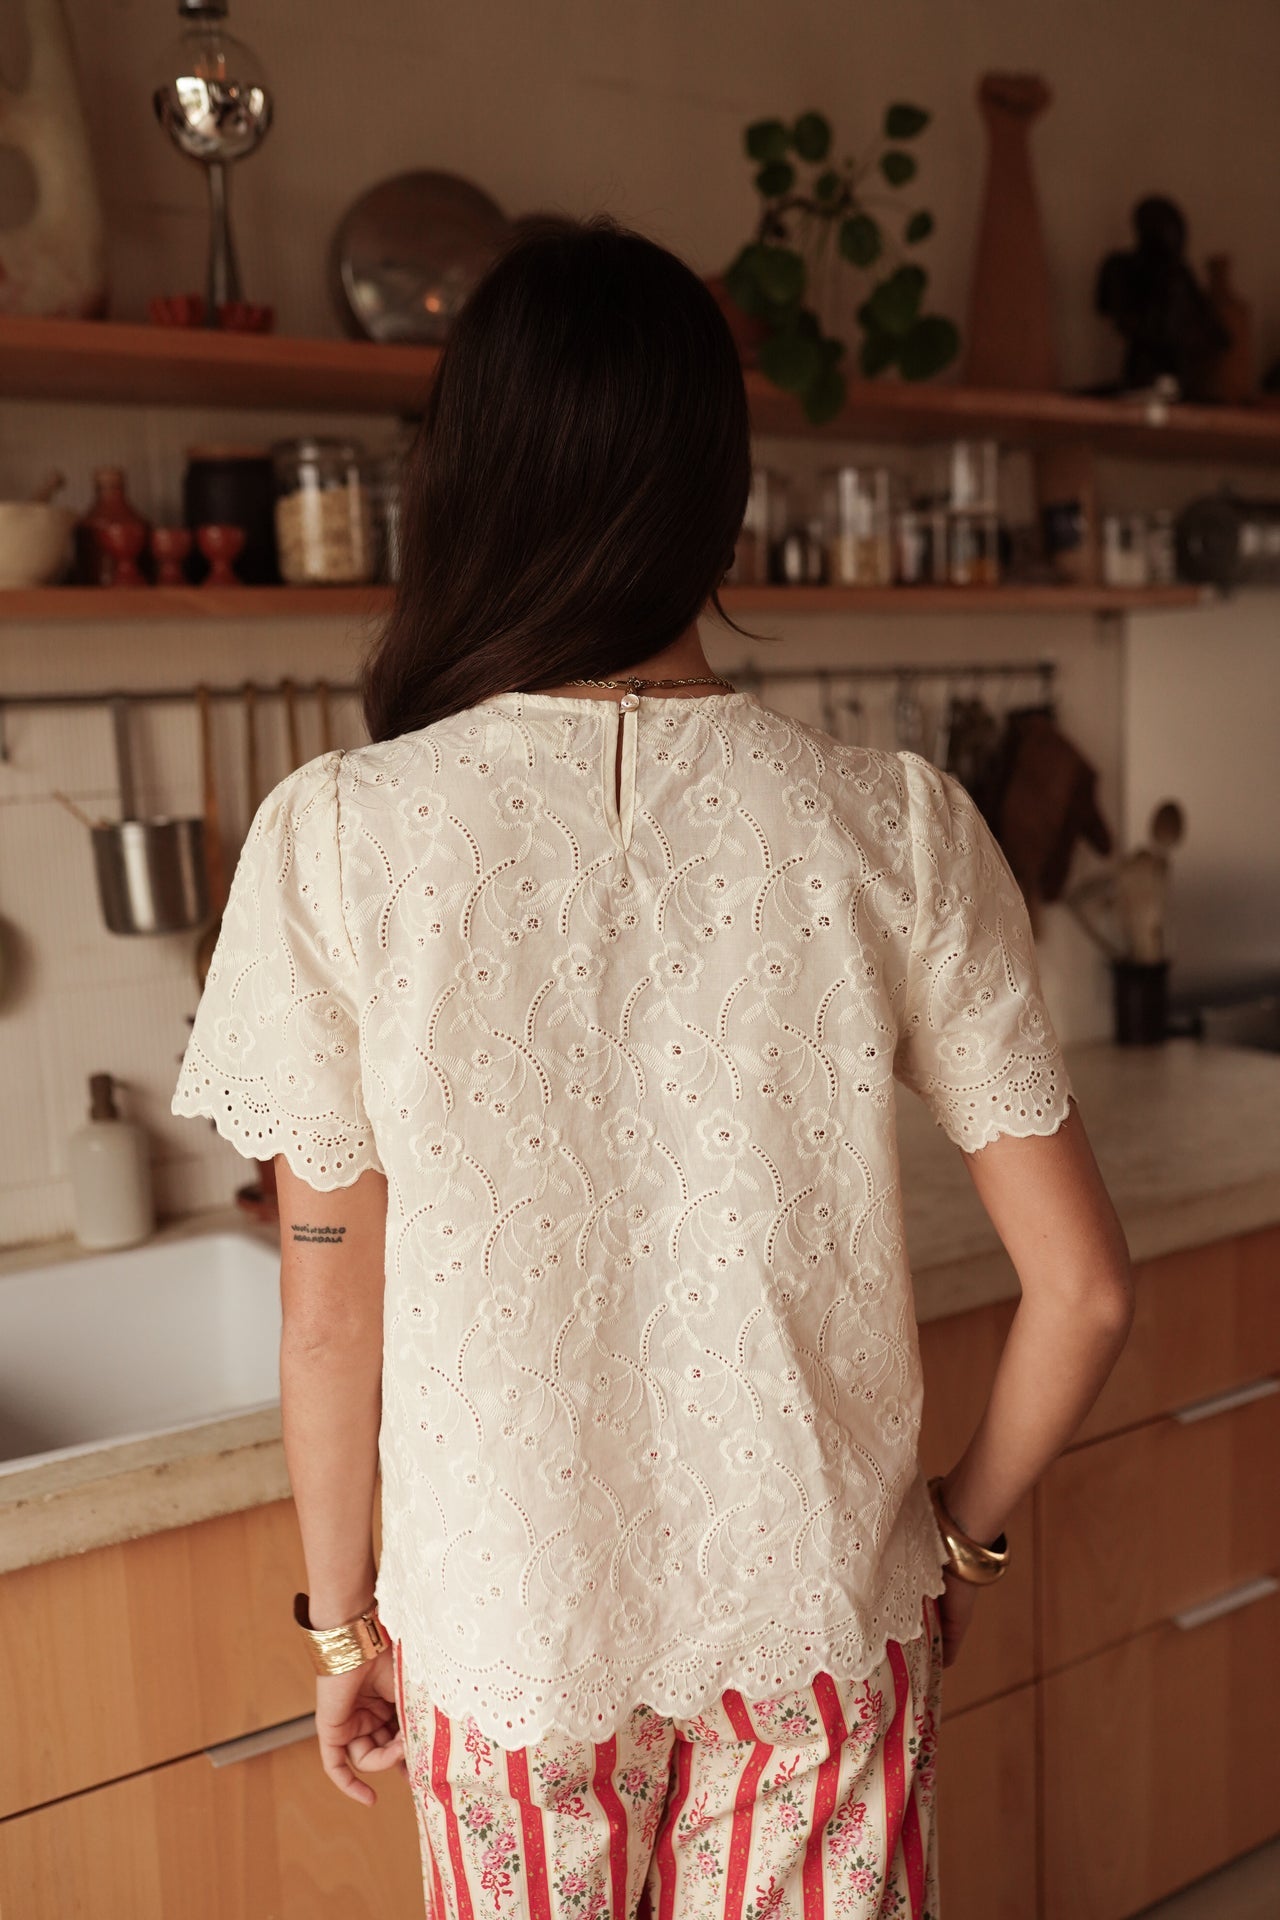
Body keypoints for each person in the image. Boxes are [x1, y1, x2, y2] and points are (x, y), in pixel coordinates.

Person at [173, 213, 1134, 1920]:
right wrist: (956, 1544)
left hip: (502, 1647)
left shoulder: (335, 839)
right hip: (820, 1633)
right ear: (722, 493)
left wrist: (343, 1626)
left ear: (463, 486)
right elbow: (1087, 1293)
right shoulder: (894, 828)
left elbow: (327, 1311)